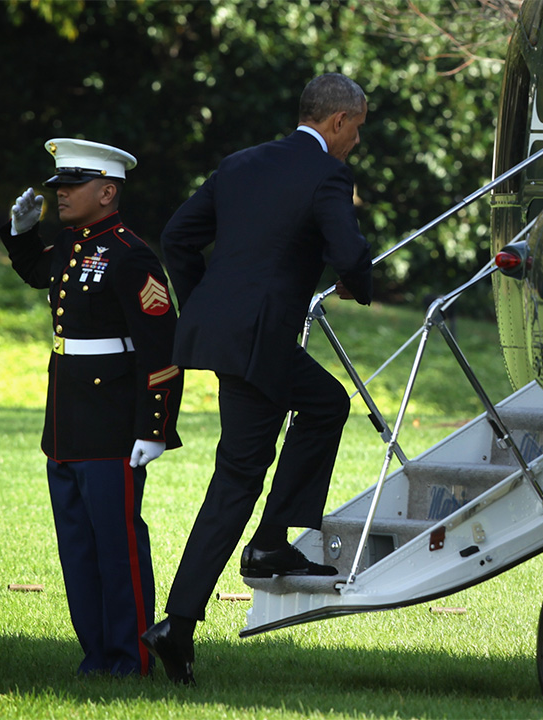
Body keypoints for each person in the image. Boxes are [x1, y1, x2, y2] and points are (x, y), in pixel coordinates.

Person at [141, 72, 373, 685]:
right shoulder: (329, 172)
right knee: (239, 475)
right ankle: (180, 622)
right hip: (257, 343)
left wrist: (210, 307)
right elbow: (348, 254)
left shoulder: (242, 162)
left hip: (236, 337)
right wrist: (358, 284)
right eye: (358, 129)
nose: (356, 142)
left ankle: (270, 543)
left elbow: (177, 237)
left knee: (324, 403)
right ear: (338, 122)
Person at [0, 138, 184, 677]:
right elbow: (40, 273)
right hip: (66, 423)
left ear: (107, 191)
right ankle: (97, 656)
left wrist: (154, 428)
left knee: (116, 548)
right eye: (59, 185)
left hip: (111, 426)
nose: (60, 194)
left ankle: (133, 659)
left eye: (72, 186)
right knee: (78, 550)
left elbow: (161, 350)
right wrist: (20, 233)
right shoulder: (72, 244)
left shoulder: (130, 254)